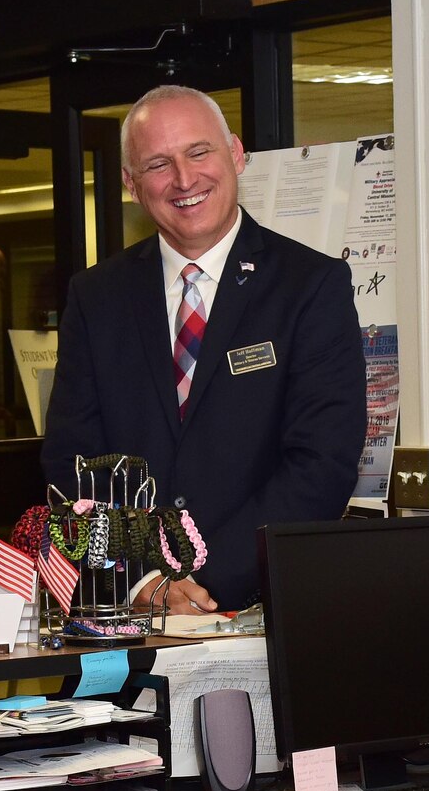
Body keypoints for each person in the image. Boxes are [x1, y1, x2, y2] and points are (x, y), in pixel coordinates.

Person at [40, 84, 367, 614]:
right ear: (130, 183)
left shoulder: (310, 287)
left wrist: (199, 581)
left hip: (263, 612)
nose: (185, 180)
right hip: (130, 614)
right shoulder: (96, 297)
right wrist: (144, 581)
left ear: (235, 154)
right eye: (157, 164)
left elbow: (320, 464)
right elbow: (73, 463)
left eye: (199, 152)